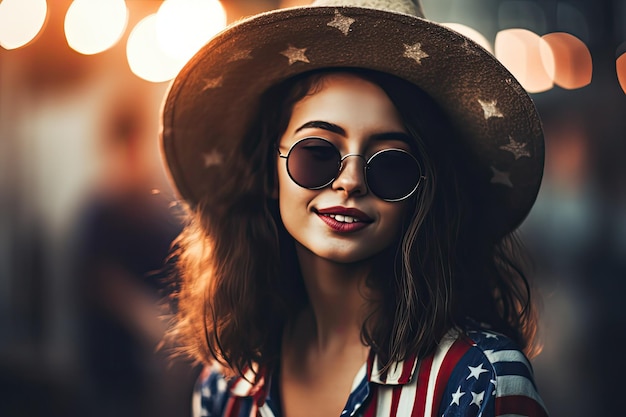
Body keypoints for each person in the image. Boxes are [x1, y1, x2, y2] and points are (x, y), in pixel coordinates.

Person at [159, 0, 549, 416]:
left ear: (424, 192)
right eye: (317, 154)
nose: (350, 181)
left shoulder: (481, 378)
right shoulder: (226, 386)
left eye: (391, 165)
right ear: (268, 172)